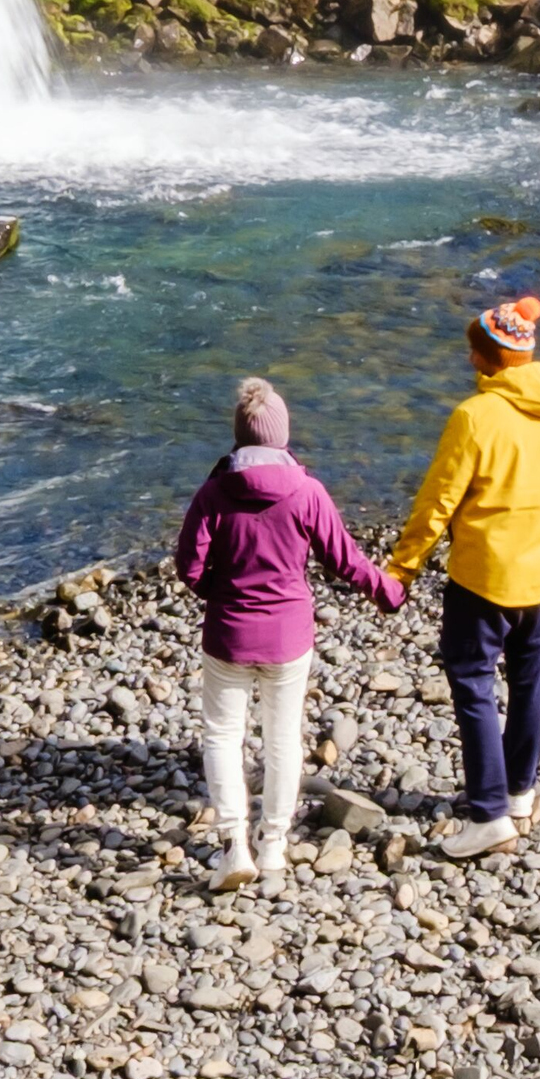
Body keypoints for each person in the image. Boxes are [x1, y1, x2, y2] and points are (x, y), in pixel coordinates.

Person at [383, 295, 540, 861]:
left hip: (483, 577)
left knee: (473, 680)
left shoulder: (475, 417)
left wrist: (403, 567)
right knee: (530, 680)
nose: (468, 359)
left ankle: (488, 814)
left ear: (489, 357)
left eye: (473, 350)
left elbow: (438, 502)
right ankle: (520, 792)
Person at [175, 376, 405, 891]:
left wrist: (221, 593)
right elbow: (344, 559)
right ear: (281, 437)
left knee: (222, 736)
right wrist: (386, 591)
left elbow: (189, 566)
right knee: (282, 739)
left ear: (238, 437)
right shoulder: (306, 491)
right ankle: (274, 844)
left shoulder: (213, 491)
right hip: (288, 637)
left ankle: (234, 843)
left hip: (228, 636)